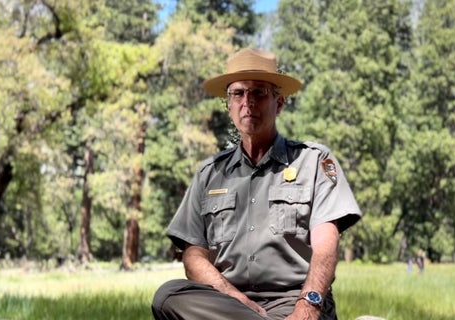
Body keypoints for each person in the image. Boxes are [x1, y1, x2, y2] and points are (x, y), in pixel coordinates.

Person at [150, 48, 363, 320]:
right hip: (228, 304)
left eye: (259, 92)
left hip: (294, 300)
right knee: (168, 295)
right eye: (238, 93)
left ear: (280, 103)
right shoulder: (209, 173)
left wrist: (307, 306)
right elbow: (193, 255)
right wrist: (231, 294)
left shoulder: (313, 162)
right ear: (228, 105)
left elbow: (326, 245)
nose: (247, 102)